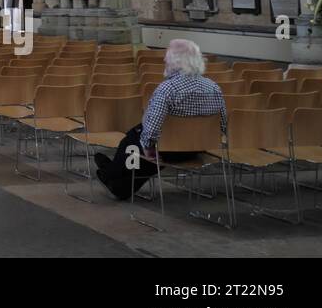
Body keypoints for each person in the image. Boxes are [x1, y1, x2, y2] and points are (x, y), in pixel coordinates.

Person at [93, 39, 226, 201]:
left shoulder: (168, 88)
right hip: (196, 149)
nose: (164, 60)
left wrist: (148, 149)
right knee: (141, 149)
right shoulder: (214, 87)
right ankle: (118, 183)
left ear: (174, 62)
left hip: (167, 150)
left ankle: (110, 172)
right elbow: (222, 124)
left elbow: (152, 126)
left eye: (167, 57)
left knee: (130, 143)